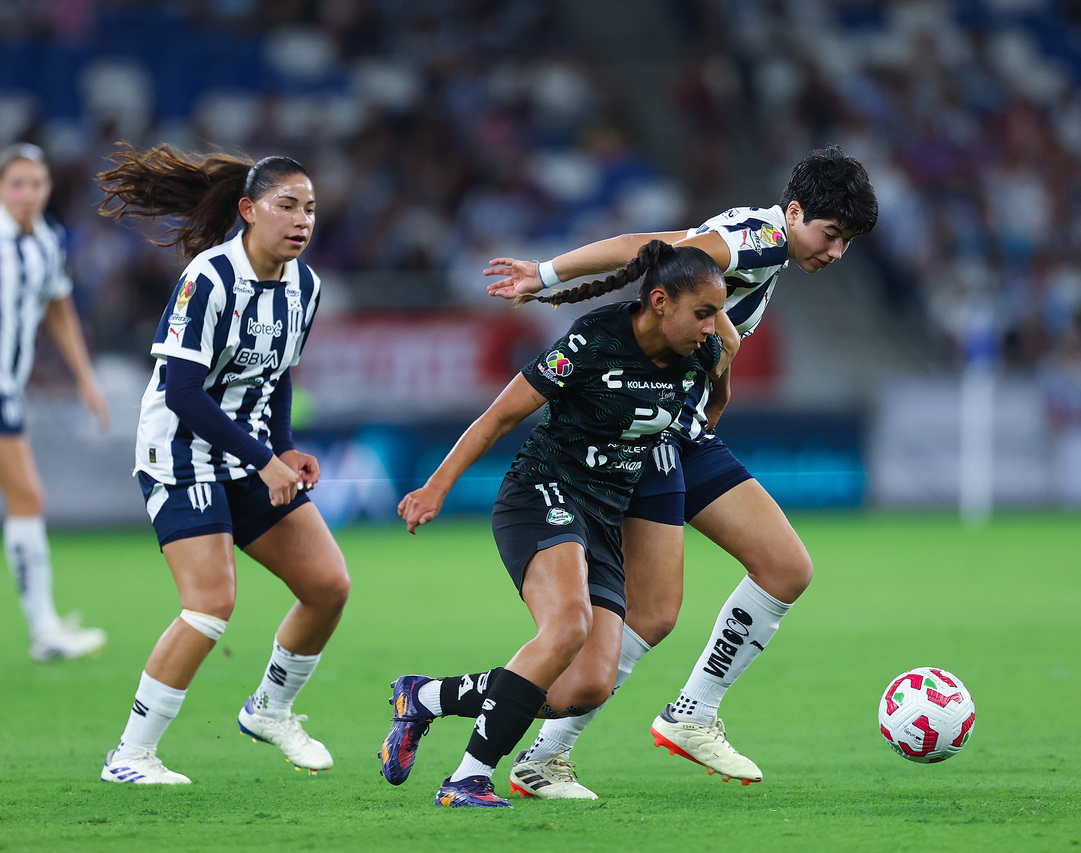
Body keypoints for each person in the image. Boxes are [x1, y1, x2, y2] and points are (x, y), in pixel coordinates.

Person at [484, 145, 877, 798]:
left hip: (680, 432)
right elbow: (652, 249)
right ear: (797, 211)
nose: (835, 253)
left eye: (847, 244)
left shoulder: (762, 241)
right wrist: (543, 275)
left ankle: (678, 716)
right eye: (831, 235)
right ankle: (521, 739)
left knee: (777, 571)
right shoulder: (754, 241)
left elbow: (660, 245)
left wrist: (547, 275)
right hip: (649, 431)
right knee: (658, 609)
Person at [378, 240, 732, 808]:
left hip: (604, 517)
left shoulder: (700, 354)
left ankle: (426, 697)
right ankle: (467, 779)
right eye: (704, 313)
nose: (713, 327)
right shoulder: (594, 339)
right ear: (660, 301)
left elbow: (713, 400)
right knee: (566, 627)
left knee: (586, 686)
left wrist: (715, 382)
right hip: (543, 492)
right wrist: (435, 488)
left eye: (717, 314)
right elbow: (501, 415)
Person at [94, 143, 349, 784]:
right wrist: (266, 458)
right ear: (248, 210)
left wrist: (283, 445)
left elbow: (279, 373)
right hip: (180, 453)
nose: (301, 220)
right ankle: (129, 756)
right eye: (286, 205)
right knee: (210, 604)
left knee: (327, 587)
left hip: (249, 455)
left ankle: (270, 708)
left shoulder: (305, 286)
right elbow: (180, 391)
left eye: (310, 209)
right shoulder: (209, 278)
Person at [0, 143, 110, 662]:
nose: (26, 194)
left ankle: (45, 629)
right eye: (16, 184)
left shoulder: (44, 241)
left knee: (27, 501)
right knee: (28, 500)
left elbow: (58, 307)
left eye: (35, 184)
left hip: (8, 391)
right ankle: (44, 630)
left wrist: (85, 378)